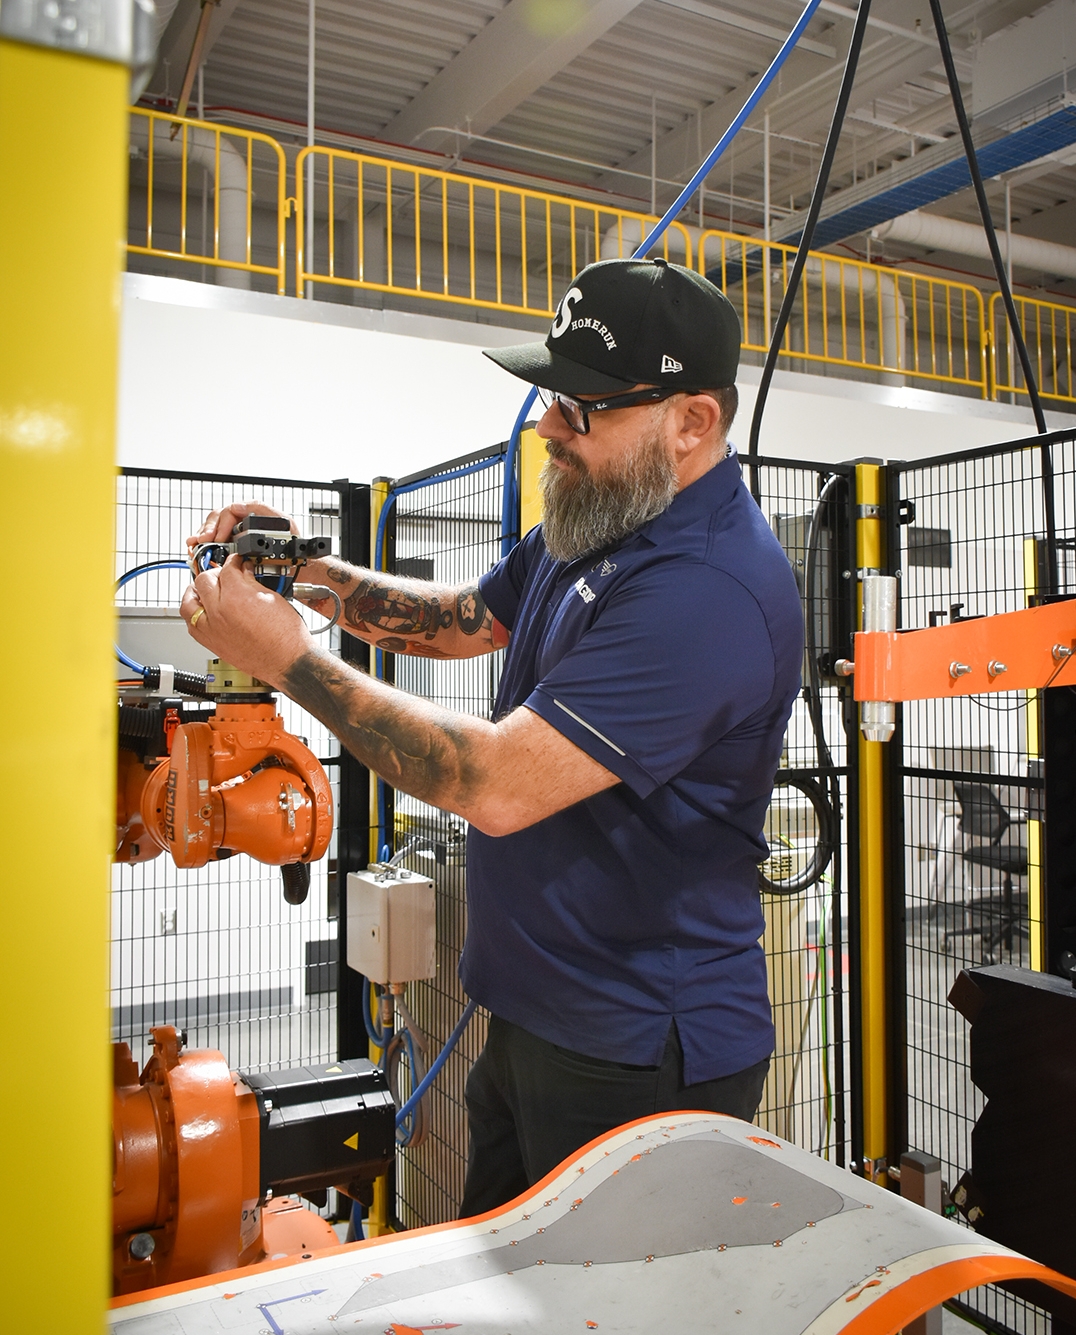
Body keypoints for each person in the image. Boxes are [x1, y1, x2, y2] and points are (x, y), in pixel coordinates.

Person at [182, 257, 804, 1218]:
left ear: (692, 423)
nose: (550, 427)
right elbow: (461, 616)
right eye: (552, 395)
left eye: (583, 408)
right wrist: (307, 570)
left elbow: (493, 781)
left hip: (636, 1048)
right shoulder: (603, 513)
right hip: (534, 1014)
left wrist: (289, 663)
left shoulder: (709, 590)